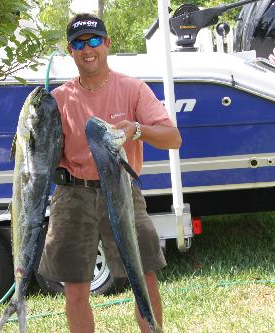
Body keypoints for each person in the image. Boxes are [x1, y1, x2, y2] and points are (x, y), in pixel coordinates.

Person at [37, 13, 182, 333]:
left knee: (144, 278)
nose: (87, 49)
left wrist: (137, 130)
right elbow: (41, 157)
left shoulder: (132, 88)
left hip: (122, 190)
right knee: (75, 288)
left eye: (93, 40)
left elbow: (173, 138)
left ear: (106, 43)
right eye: (78, 43)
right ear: (70, 50)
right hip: (72, 195)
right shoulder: (58, 99)